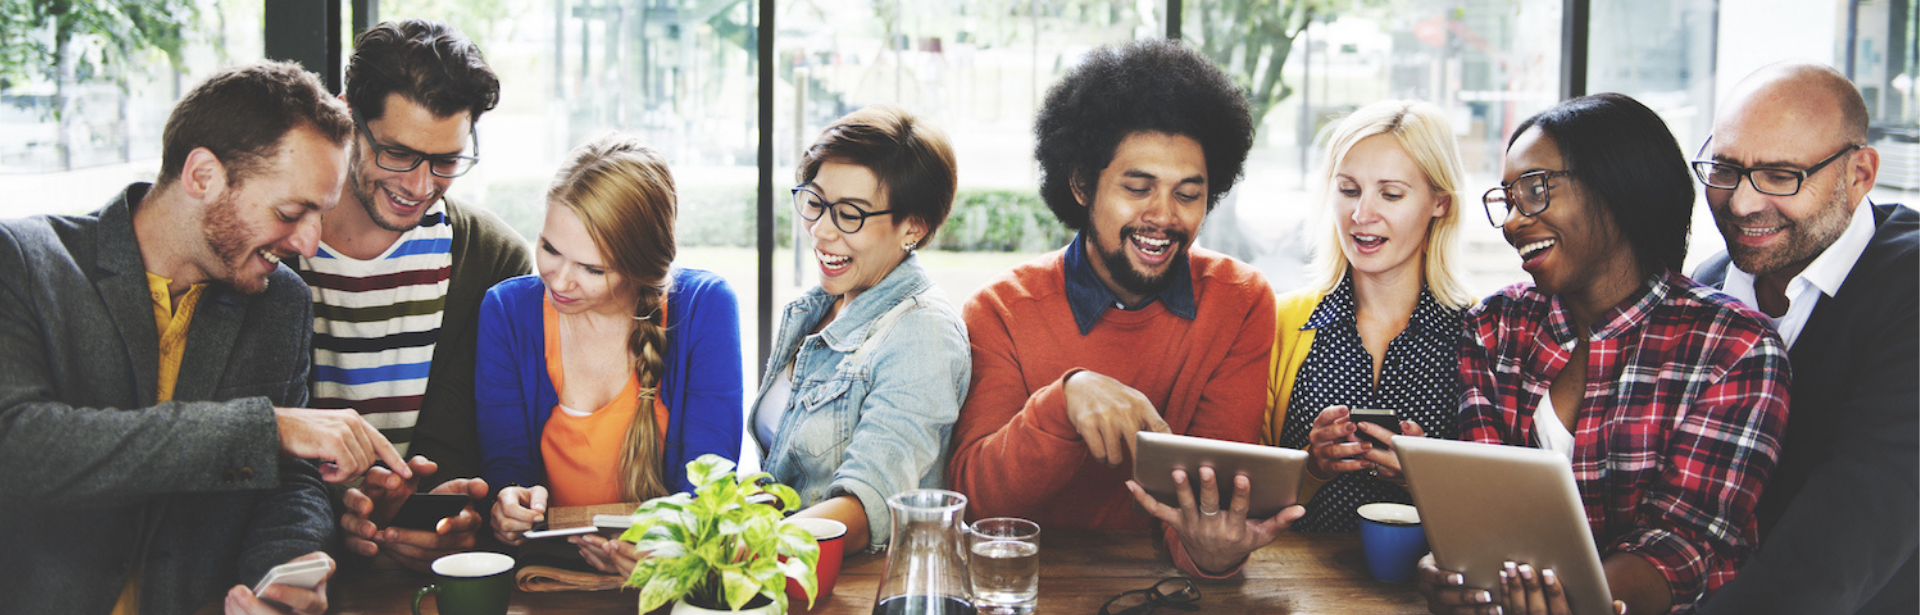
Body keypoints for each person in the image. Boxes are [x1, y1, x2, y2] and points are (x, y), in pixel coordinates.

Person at [0, 61, 409, 615]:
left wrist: (288, 572)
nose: (311, 242)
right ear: (201, 177)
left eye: (320, 214)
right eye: (292, 211)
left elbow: (289, 483)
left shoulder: (281, 302)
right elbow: (17, 448)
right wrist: (264, 428)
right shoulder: (23, 262)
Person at [1413, 93, 1791, 615]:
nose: (1512, 221)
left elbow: (1684, 541)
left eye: (1535, 190)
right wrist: (1456, 568)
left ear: (1619, 185)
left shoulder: (1736, 348)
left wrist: (1580, 603)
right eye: (1508, 198)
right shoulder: (1496, 324)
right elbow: (1485, 502)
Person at [947, 39, 1292, 579]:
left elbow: (1208, 507)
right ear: (1083, 184)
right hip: (1027, 587)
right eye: (1138, 187)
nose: (1163, 215)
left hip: (1164, 594)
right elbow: (976, 509)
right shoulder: (1001, 312)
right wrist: (1064, 399)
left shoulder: (1240, 301)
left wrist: (1213, 552)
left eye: (1188, 193)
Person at [1688, 63, 1917, 615]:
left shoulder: (1910, 285)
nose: (1742, 204)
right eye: (1725, 169)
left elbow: (1855, 523)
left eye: (1780, 175)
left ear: (1859, 174)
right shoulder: (1709, 281)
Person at [307, 19, 532, 572]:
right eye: (397, 153)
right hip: (294, 561)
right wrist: (340, 511)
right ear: (346, 118)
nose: (418, 184)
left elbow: (485, 441)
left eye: (446, 161)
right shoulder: (274, 249)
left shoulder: (494, 260)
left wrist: (449, 514)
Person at [477, 135, 744, 571]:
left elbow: (708, 484)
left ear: (641, 268)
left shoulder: (704, 308)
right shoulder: (507, 312)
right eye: (549, 249)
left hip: (665, 581)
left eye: (592, 268)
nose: (560, 281)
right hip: (546, 579)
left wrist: (668, 547)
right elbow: (505, 465)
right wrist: (509, 501)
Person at [748, 105, 970, 555]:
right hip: (786, 575)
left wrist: (719, 548)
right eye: (815, 202)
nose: (821, 231)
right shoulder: (815, 309)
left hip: (860, 589)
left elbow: (865, 509)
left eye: (850, 214)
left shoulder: (923, 334)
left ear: (913, 226)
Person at [1275, 100, 1474, 532]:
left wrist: (1430, 481)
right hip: (1302, 588)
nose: (1361, 215)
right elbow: (1246, 484)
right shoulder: (1283, 323)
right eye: (1348, 190)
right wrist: (1312, 468)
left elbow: (1504, 503)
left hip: (1429, 592)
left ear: (1440, 202)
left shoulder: (1481, 334)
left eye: (1391, 194)